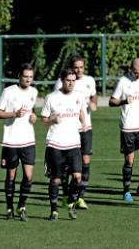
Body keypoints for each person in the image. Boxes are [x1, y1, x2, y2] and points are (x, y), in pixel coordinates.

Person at [0, 63, 38, 221]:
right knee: (11, 175)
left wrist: (33, 116)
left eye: (31, 77)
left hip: (28, 140)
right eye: (25, 77)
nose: (28, 80)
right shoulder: (8, 92)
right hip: (11, 141)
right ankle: (9, 207)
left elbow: (32, 111)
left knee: (28, 175)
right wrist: (13, 114)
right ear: (19, 76)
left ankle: (21, 206)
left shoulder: (34, 91)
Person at [41, 67, 86, 220]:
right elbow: (43, 120)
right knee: (56, 179)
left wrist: (83, 123)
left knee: (77, 178)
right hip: (56, 143)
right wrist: (53, 119)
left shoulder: (79, 97)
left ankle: (71, 203)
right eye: (68, 80)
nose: (71, 83)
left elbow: (80, 111)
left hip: (73, 143)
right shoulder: (51, 97)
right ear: (62, 80)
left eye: (74, 81)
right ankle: (54, 210)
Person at [54, 56, 97, 209]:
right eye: (76, 67)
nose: (79, 70)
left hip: (85, 128)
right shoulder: (62, 82)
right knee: (67, 165)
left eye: (81, 67)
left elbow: (93, 96)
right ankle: (66, 196)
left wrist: (93, 103)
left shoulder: (89, 81)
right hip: (68, 129)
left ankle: (79, 197)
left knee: (85, 162)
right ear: (71, 67)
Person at [109, 58, 139, 203]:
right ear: (131, 69)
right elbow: (112, 101)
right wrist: (123, 101)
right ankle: (126, 190)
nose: (138, 75)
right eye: (135, 72)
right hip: (128, 127)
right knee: (129, 161)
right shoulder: (123, 81)